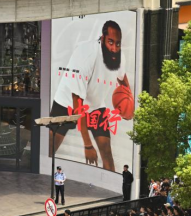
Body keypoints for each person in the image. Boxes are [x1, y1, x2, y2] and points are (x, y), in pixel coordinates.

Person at [50, 20, 132, 172]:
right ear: (102, 38)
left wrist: (129, 102)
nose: (114, 48)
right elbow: (77, 104)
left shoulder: (119, 57)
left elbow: (122, 78)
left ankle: (110, 182)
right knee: (49, 149)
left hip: (95, 105)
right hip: (67, 103)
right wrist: (88, 145)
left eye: (118, 44)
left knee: (107, 152)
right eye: (110, 42)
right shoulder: (86, 55)